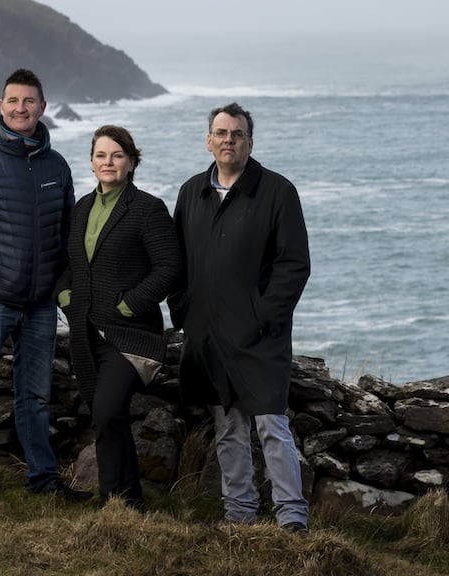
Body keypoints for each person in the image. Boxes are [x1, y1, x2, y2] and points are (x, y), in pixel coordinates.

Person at [0, 68, 91, 513]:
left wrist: (57, 286)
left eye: (29, 101)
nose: (21, 108)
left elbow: (66, 236)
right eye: (13, 101)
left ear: (43, 107)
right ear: (1, 106)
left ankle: (43, 480)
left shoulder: (56, 165)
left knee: (35, 397)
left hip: (41, 305)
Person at [169, 102, 312, 533]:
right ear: (208, 141)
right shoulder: (191, 191)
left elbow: (294, 265)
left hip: (259, 336)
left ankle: (292, 520)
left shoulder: (277, 192)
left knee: (271, 424)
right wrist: (184, 311)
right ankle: (240, 515)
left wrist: (263, 316)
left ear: (250, 142)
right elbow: (176, 261)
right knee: (227, 426)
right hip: (208, 336)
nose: (228, 140)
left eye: (237, 134)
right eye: (221, 133)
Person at [55, 125, 181, 510]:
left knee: (108, 411)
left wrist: (128, 305)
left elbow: (170, 267)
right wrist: (66, 297)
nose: (108, 162)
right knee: (106, 418)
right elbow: (67, 263)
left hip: (131, 335)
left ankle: (113, 502)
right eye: (100, 156)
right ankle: (127, 503)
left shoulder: (147, 208)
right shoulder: (81, 209)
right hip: (85, 333)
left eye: (116, 155)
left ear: (131, 161)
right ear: (92, 163)